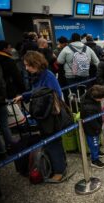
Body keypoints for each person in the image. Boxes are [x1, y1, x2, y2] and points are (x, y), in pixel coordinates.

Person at [13, 51, 67, 182]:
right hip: (43, 115)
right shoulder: (38, 76)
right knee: (48, 142)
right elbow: (36, 92)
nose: (26, 68)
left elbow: (57, 95)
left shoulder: (48, 76)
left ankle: (60, 170)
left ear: (35, 63)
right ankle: (57, 165)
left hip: (50, 116)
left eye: (28, 65)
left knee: (53, 142)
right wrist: (24, 96)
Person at [81, 85, 104, 168]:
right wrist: (98, 128)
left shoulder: (91, 97)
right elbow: (91, 121)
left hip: (95, 126)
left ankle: (97, 151)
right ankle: (94, 160)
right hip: (91, 129)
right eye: (102, 98)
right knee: (94, 143)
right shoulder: (88, 107)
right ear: (96, 98)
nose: (103, 99)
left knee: (96, 142)